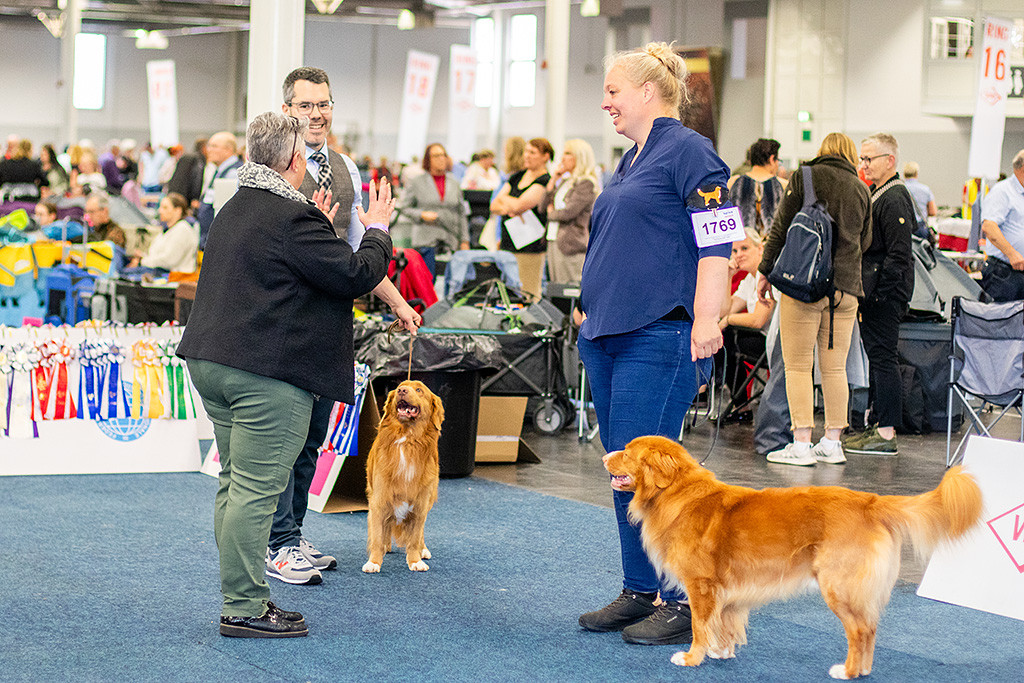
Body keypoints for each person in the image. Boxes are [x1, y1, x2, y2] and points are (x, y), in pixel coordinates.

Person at [176, 112, 396, 638]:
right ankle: (245, 608)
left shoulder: (235, 206)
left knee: (235, 487)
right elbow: (354, 275)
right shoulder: (289, 217)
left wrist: (317, 225)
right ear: (296, 161)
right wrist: (378, 229)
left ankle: (241, 598)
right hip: (265, 374)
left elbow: (290, 271)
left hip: (213, 363)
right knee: (255, 491)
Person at [575, 42, 732, 646]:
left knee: (657, 475)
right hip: (608, 335)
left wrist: (708, 320)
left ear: (647, 92)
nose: (606, 101)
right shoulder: (631, 159)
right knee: (623, 472)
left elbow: (718, 244)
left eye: (614, 90)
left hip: (660, 335)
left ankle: (681, 598)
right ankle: (639, 589)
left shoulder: (693, 153)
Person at [267, 66, 421, 586]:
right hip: (284, 316)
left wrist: (398, 301)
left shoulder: (345, 168)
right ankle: (274, 541)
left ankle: (291, 535)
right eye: (306, 106)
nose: (317, 115)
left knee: (312, 434)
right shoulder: (270, 166)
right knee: (283, 437)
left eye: (324, 105)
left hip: (332, 319)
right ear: (287, 109)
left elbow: (360, 247)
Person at [756, 132, 871, 466]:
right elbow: (866, 238)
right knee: (835, 368)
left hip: (803, 284)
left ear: (823, 151)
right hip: (846, 290)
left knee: (798, 365)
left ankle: (802, 444)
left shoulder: (805, 176)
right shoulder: (861, 188)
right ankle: (833, 443)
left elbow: (779, 230)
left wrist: (764, 272)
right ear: (850, 154)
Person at [842, 133, 916, 456]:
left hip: (885, 294)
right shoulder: (879, 193)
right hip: (875, 291)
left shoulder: (895, 197)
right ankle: (878, 425)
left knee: (884, 359)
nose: (863, 165)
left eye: (869, 159)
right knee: (878, 358)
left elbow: (899, 255)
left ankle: (886, 433)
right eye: (861, 159)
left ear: (890, 161)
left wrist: (880, 295)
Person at [717, 229, 775, 419]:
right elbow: (726, 310)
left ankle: (741, 405)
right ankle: (741, 405)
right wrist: (729, 275)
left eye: (744, 248)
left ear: (760, 249)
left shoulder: (767, 275)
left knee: (723, 340)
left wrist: (727, 321)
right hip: (761, 341)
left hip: (776, 346)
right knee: (721, 340)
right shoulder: (749, 279)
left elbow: (758, 320)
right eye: (734, 251)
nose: (739, 254)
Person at [490, 137, 553, 299]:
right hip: (507, 243)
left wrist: (510, 204)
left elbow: (519, 206)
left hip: (530, 247)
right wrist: (512, 206)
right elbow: (494, 205)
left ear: (545, 156)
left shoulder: (545, 180)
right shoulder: (517, 177)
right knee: (506, 294)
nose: (527, 156)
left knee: (528, 293)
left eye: (532, 152)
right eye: (526, 151)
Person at [394, 142, 470, 274]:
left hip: (451, 239)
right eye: (436, 156)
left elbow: (461, 213)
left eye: (443, 155)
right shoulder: (416, 182)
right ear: (428, 160)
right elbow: (404, 208)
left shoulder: (455, 182)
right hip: (426, 240)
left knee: (451, 282)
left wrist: (465, 240)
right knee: (428, 280)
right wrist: (422, 214)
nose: (441, 159)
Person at [544, 138, 599, 285]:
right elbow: (542, 207)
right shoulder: (564, 181)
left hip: (570, 244)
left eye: (568, 153)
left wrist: (551, 214)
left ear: (579, 157)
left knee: (569, 289)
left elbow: (569, 213)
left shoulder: (586, 183)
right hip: (553, 239)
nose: (563, 158)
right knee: (555, 288)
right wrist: (553, 179)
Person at [978, 149, 1024, 302]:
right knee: (1004, 323)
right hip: (1004, 273)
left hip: (1018, 273)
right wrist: (1012, 253)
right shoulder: (1002, 192)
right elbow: (989, 227)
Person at [127, 192, 198, 273]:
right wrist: (143, 257)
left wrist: (142, 261)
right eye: (160, 207)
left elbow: (169, 261)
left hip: (172, 277)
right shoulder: (167, 230)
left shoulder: (183, 229)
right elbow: (157, 256)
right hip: (158, 271)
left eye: (165, 208)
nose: (160, 211)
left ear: (178, 210)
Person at [727, 138, 785, 236]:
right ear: (772, 159)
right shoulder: (783, 185)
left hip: (740, 245)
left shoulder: (732, 182)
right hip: (772, 247)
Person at [196, 131, 242, 250]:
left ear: (228, 149)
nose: (208, 150)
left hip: (220, 243)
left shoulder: (233, 174)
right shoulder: (219, 171)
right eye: (208, 146)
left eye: (214, 146)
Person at [167, 138, 207, 209]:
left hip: (174, 196)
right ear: (204, 148)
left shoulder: (186, 157)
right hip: (184, 200)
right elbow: (197, 180)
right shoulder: (198, 160)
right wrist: (195, 198)